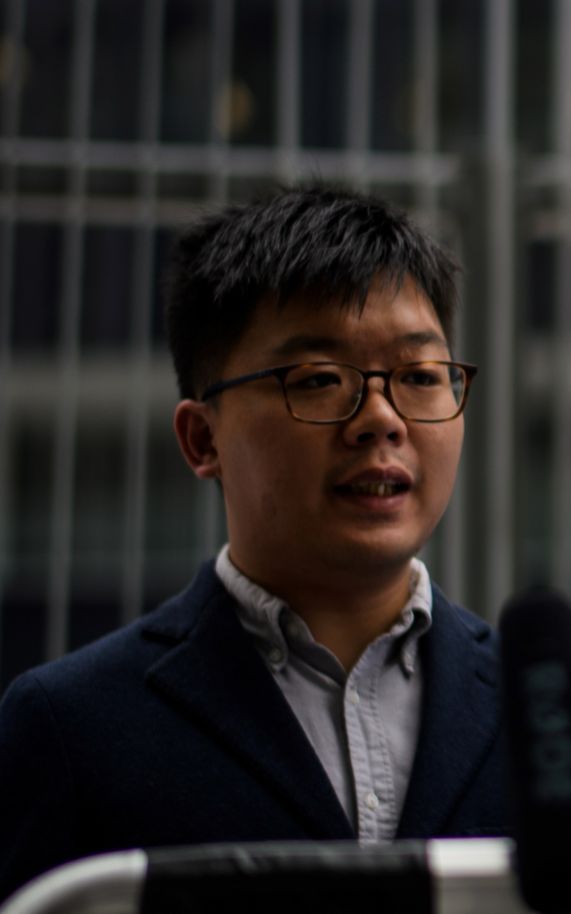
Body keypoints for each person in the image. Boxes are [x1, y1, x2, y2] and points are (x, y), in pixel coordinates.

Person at [0, 186, 507, 897]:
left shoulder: (538, 706)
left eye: (421, 376)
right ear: (202, 438)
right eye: (320, 379)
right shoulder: (71, 725)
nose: (381, 419)